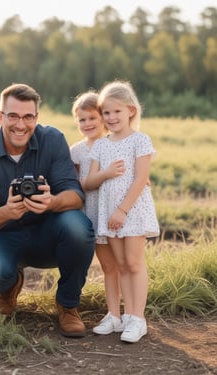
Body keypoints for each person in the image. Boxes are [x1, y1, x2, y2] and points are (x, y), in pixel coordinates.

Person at [0, 83, 95, 338]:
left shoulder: (52, 139)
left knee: (79, 226)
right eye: (13, 116)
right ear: (0, 116)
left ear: (36, 118)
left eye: (27, 117)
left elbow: (75, 195)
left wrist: (51, 202)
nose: (20, 125)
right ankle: (9, 285)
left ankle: (68, 304)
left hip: (49, 233)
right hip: (4, 235)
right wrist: (7, 212)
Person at [84, 80, 160, 343]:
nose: (111, 117)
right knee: (121, 265)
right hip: (109, 213)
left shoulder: (140, 140)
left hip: (131, 211)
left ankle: (138, 318)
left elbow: (141, 179)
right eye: (106, 112)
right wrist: (105, 174)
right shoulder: (102, 145)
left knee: (134, 263)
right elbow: (90, 181)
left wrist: (122, 211)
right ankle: (125, 317)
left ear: (130, 110)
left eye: (117, 111)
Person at [70, 90, 124, 335]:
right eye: (82, 120)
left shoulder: (115, 144)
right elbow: (73, 184)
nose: (87, 124)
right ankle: (112, 314)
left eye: (92, 118)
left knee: (120, 264)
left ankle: (127, 313)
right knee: (106, 265)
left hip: (111, 213)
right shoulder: (76, 151)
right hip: (88, 213)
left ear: (103, 118)